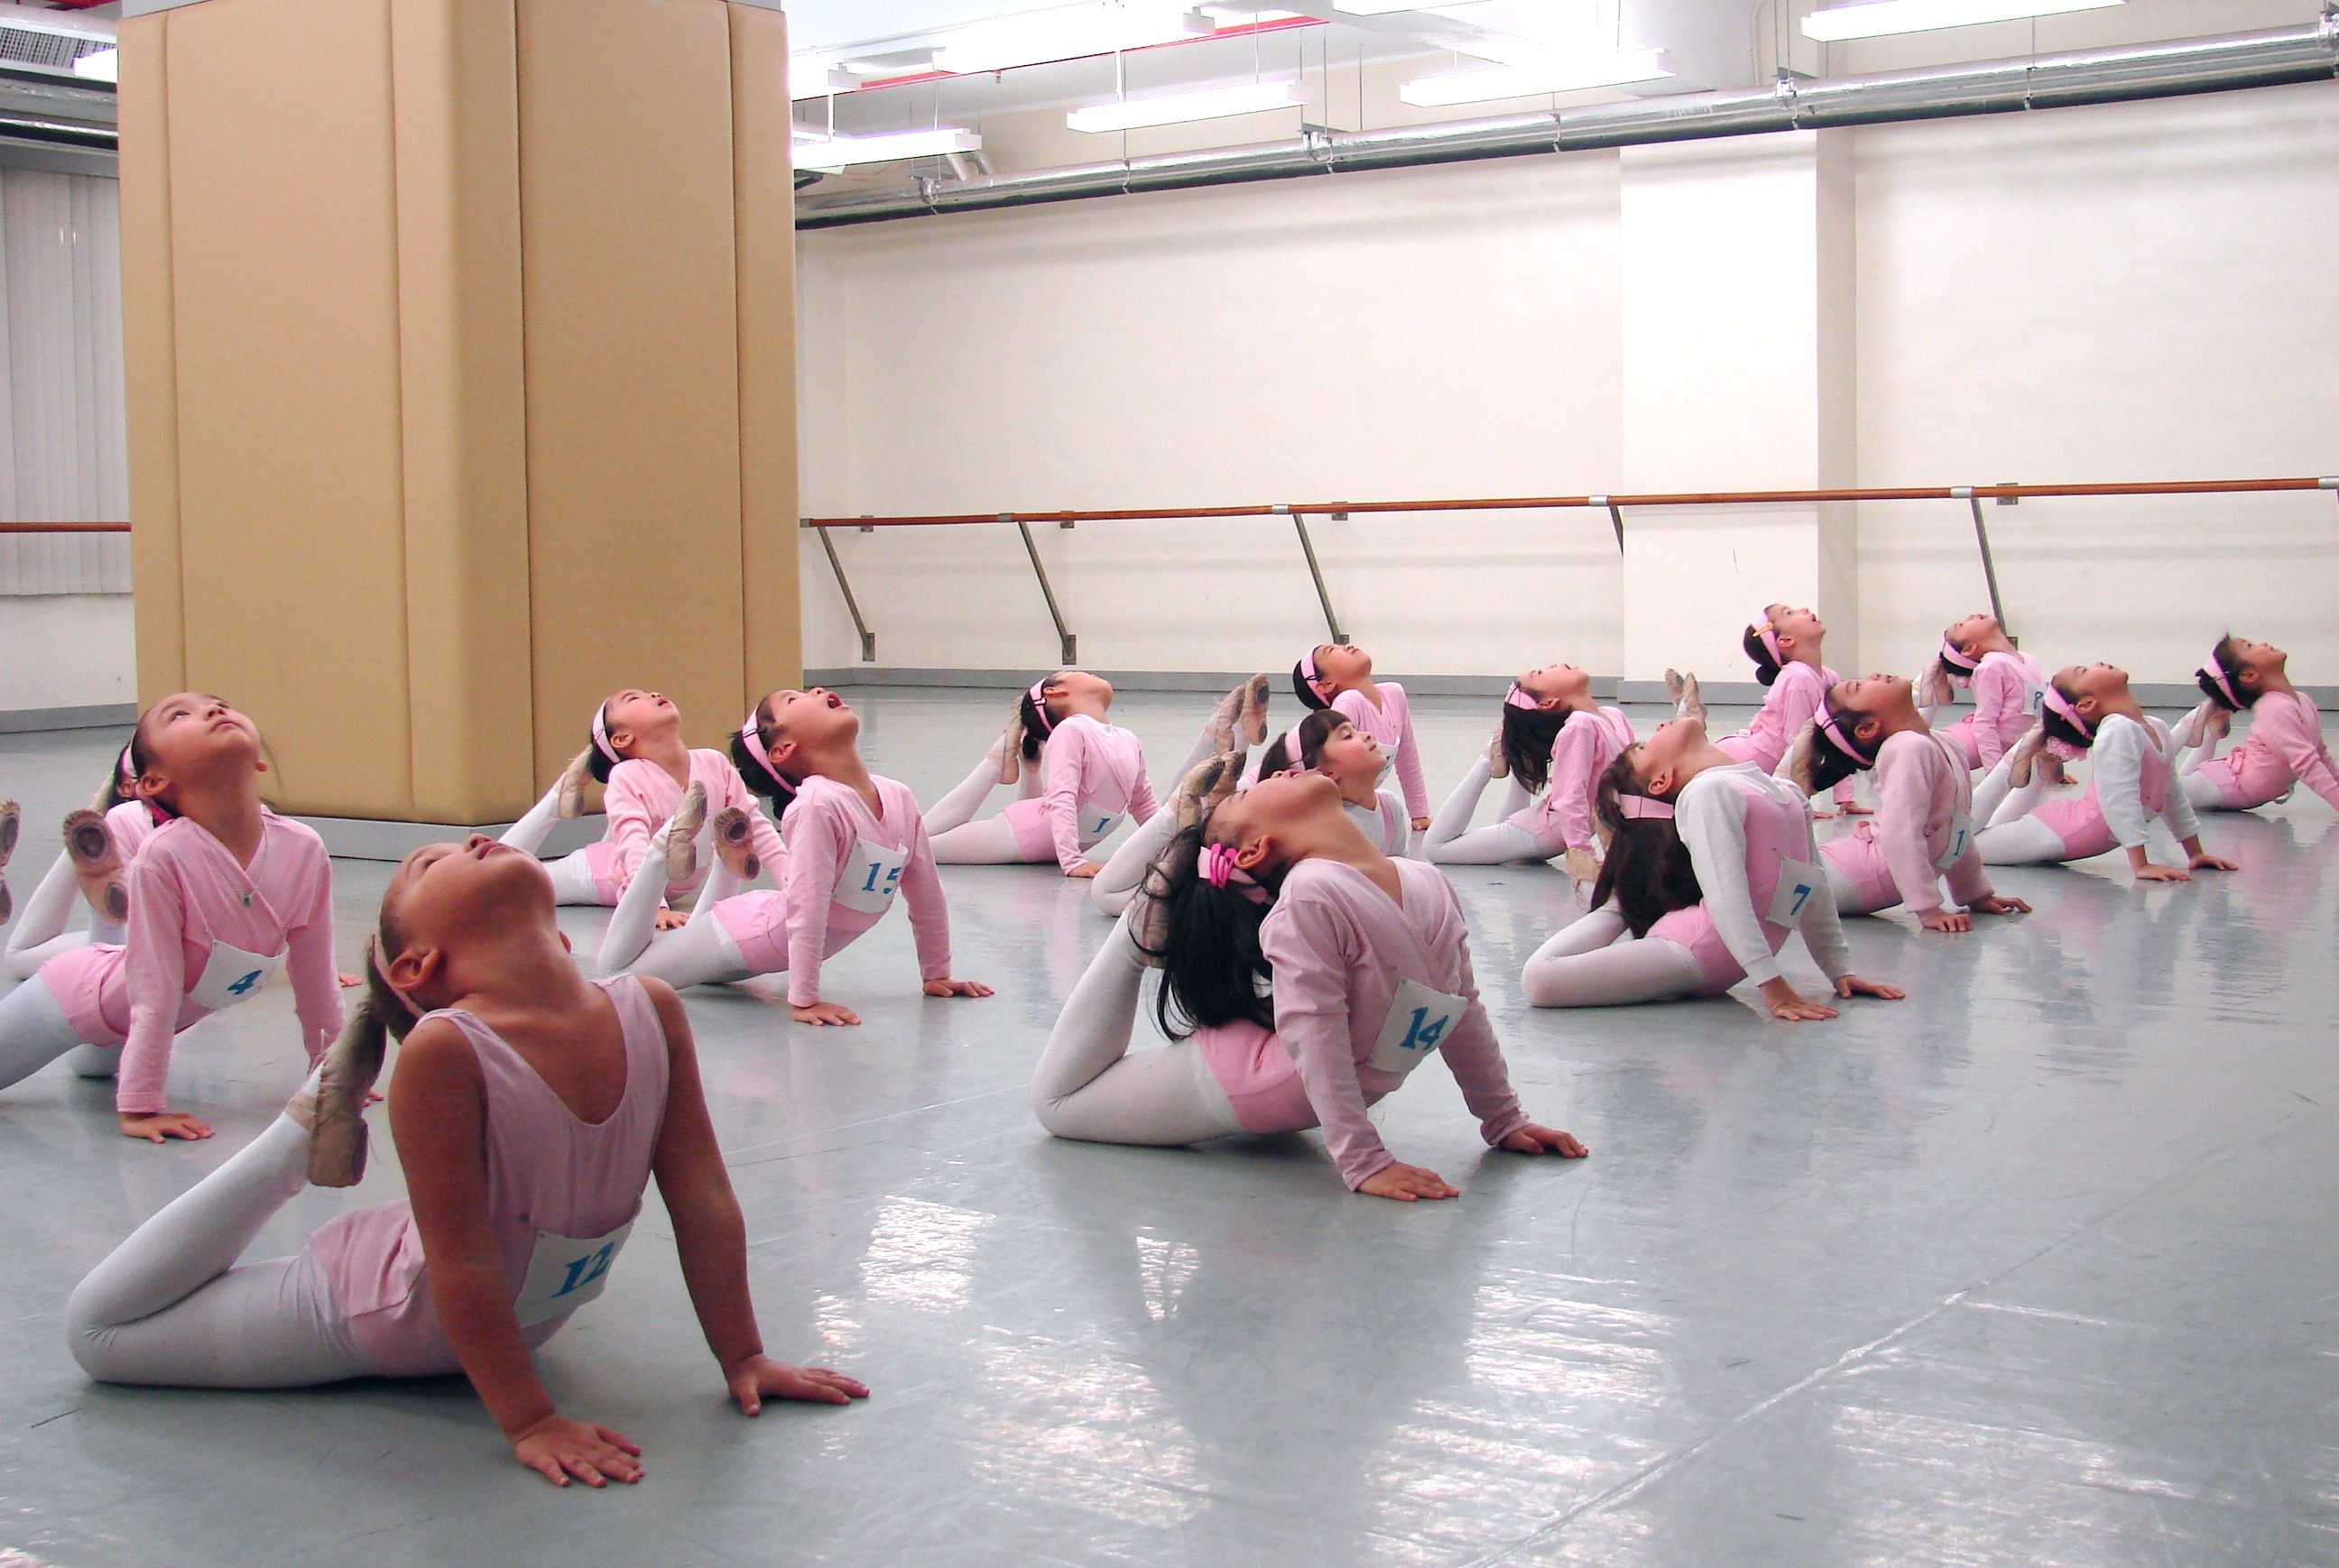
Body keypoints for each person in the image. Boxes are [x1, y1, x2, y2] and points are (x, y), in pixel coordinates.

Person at [64, 833, 866, 1488]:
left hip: (488, 1318)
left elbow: (704, 1198)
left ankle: (299, 1135)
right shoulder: (445, 1048)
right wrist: (529, 1419)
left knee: (107, 1327)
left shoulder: (649, 1008)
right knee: (96, 1331)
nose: (476, 839)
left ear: (559, 937)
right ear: (415, 966)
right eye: (429, 862)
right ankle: (292, 1142)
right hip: (394, 1310)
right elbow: (464, 1261)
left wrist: (744, 1354)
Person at [1038, 761, 1588, 1200]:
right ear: (1256, 849)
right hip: (1257, 1078)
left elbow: (1460, 1008)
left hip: (1278, 1076)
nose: (1278, 770)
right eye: (1249, 793)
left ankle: (1151, 904)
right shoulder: (1309, 894)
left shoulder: (1423, 878)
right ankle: (1139, 929)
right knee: (1056, 1104)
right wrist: (1363, 1159)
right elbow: (1315, 1035)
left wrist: (1503, 1118)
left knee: (1064, 1099)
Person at [0, 695, 341, 1140]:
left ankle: (103, 892)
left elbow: (316, 975)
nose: (214, 711)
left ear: (257, 760)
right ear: (153, 782)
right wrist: (141, 1106)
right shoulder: (163, 856)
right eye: (180, 715)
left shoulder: (304, 848)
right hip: (75, 999)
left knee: (92, 1071)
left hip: (127, 1031)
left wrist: (335, 1073)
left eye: (220, 705)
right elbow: (155, 987)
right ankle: (96, 869)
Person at [1521, 715, 1903, 1019]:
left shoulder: (1785, 793)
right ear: (1662, 780)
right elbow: (1726, 896)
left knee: (1543, 977)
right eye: (1643, 746)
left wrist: (1840, 971)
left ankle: (1624, 902)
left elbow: (1812, 887)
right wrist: (1771, 984)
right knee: (1539, 978)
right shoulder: (1707, 791)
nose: (1660, 725)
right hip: (1695, 949)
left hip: (1714, 959)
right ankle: (1621, 905)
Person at [924, 671, 1160, 877]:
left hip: (1044, 837)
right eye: (1085, 674)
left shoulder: (1127, 738)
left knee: (921, 845)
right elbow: (1062, 797)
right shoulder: (1070, 730)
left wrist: (1173, 847)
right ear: (1055, 692)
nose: (1091, 674)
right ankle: (997, 760)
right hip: (1022, 833)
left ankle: (1028, 762)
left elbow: (1143, 803)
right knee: (917, 847)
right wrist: (1072, 861)